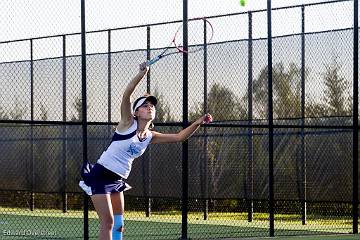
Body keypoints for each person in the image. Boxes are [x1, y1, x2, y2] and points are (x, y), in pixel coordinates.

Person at [79, 62, 213, 240]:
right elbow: (127, 94)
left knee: (119, 225)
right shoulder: (127, 123)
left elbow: (180, 137)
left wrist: (198, 122)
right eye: (145, 105)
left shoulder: (150, 135)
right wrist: (142, 73)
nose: (150, 107)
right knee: (108, 222)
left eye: (152, 106)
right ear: (136, 112)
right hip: (100, 175)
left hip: (118, 178)